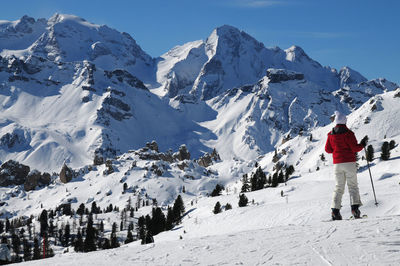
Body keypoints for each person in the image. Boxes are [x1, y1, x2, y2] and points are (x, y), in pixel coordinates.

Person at [325, 111, 368, 220]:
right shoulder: (349, 134)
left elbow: (328, 150)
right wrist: (362, 144)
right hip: (349, 162)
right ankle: (355, 209)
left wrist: (336, 149)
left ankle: (335, 211)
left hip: (337, 164)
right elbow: (355, 148)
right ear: (344, 121)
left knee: (338, 187)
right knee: (352, 186)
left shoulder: (330, 134)